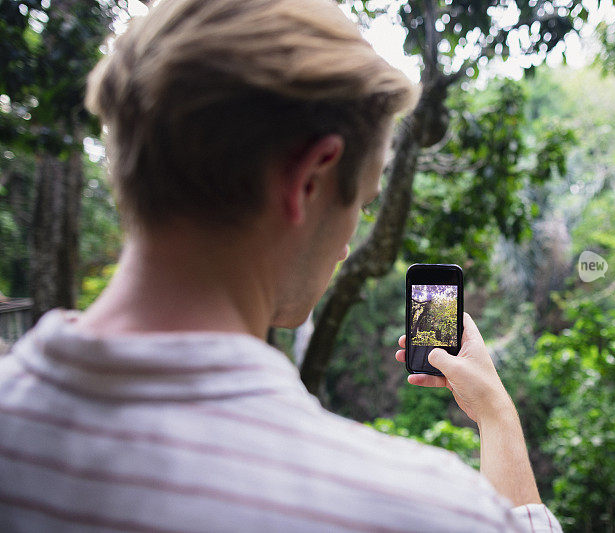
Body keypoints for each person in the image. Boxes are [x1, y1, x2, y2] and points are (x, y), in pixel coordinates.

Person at [0, 0, 562, 530]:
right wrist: (496, 413)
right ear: (310, 179)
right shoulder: (418, 508)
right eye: (360, 203)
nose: (346, 247)